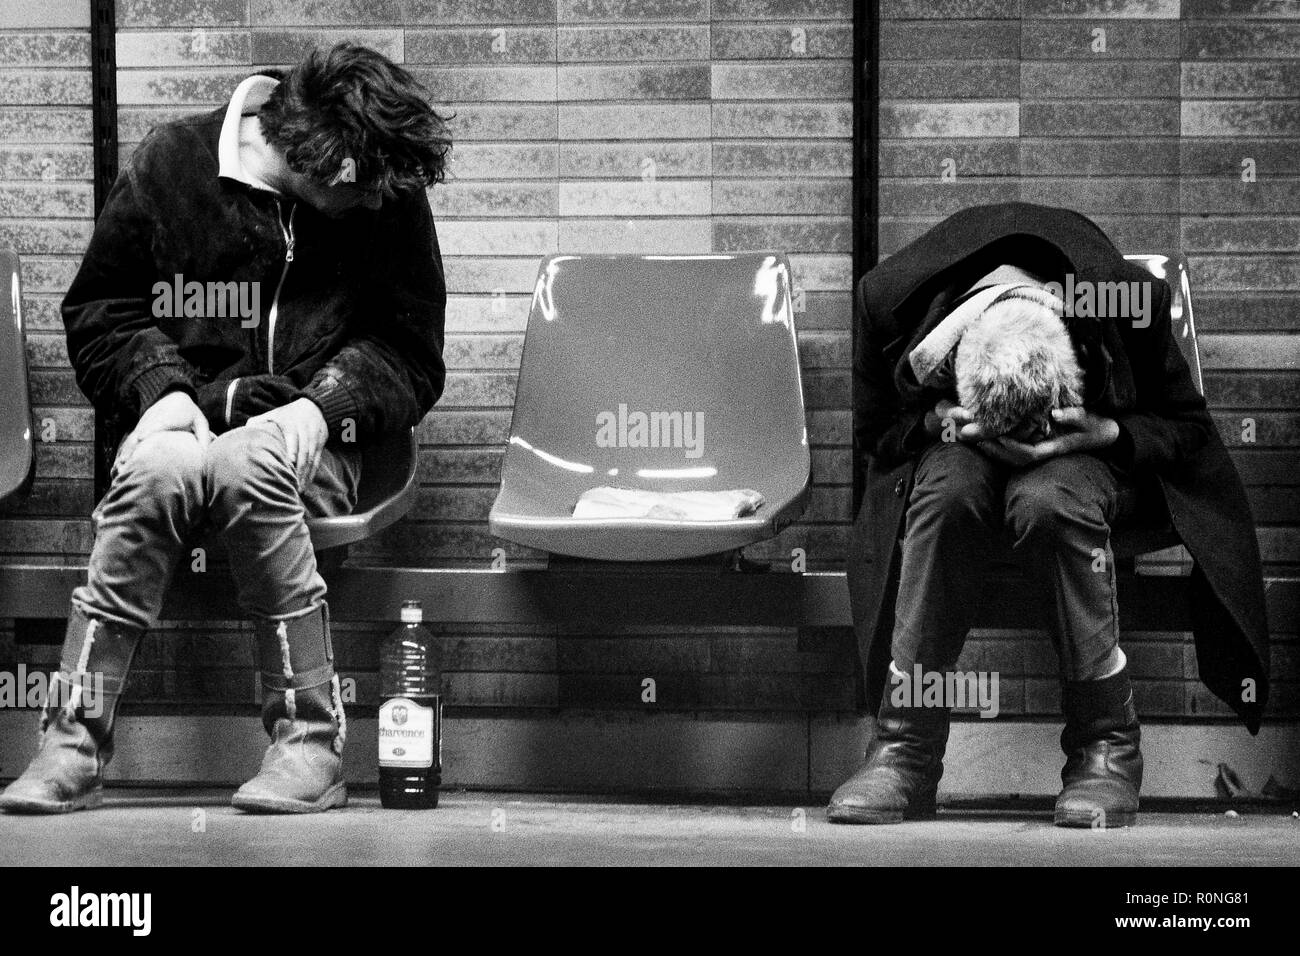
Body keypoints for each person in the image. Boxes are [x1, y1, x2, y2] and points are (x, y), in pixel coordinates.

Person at [0, 43, 450, 814]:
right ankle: (71, 740)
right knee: (156, 471)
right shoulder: (171, 164)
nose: (380, 205)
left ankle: (309, 743)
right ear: (333, 166)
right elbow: (102, 311)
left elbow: (409, 348)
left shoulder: (387, 188)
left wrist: (321, 407)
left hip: (309, 438)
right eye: (367, 191)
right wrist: (161, 390)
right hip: (186, 424)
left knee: (250, 461)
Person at [831, 202, 1269, 827]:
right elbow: (875, 434)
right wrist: (936, 422)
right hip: (954, 448)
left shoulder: (1125, 305)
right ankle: (905, 747)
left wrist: (1104, 431)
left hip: (1085, 455)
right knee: (947, 497)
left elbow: (1189, 431)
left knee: (1049, 500)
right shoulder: (890, 304)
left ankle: (1105, 748)